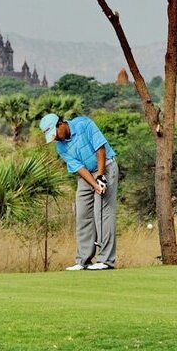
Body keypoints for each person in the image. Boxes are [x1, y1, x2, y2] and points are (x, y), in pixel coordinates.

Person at [40, 113, 118, 271]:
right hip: (86, 175)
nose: (55, 138)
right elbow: (79, 168)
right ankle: (83, 260)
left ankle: (106, 260)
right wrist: (94, 184)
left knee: (102, 214)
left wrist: (101, 177)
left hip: (106, 167)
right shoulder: (60, 147)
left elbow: (100, 149)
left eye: (55, 134)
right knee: (82, 214)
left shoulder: (84, 124)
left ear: (60, 124)